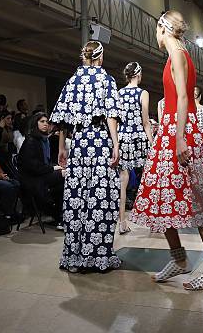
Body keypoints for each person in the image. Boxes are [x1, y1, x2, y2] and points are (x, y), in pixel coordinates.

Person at [131, 10, 203, 290]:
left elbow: (185, 97)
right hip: (171, 130)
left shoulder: (177, 53)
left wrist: (179, 138)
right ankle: (179, 259)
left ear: (162, 28)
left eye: (155, 29)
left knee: (199, 202)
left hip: (179, 131)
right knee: (161, 200)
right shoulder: (179, 53)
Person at [50, 40, 123, 273]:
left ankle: (75, 255)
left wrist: (62, 146)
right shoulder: (106, 80)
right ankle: (98, 256)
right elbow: (111, 115)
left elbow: (62, 118)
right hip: (100, 141)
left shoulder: (72, 81)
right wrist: (116, 144)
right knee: (100, 199)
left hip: (79, 144)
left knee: (76, 199)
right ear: (100, 58)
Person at [116, 62, 153, 235]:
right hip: (139, 137)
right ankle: (154, 219)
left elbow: (116, 119)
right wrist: (152, 142)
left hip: (123, 137)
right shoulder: (143, 93)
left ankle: (122, 222)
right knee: (149, 178)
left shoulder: (119, 93)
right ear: (138, 75)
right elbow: (146, 121)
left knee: (122, 181)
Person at [17, 113, 65, 230]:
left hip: (41, 174)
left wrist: (55, 167)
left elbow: (45, 163)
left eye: (47, 122)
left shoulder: (44, 140)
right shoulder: (31, 141)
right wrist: (53, 168)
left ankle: (60, 217)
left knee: (63, 182)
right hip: (32, 179)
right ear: (35, 123)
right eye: (42, 121)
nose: (45, 124)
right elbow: (33, 167)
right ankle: (59, 216)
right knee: (63, 175)